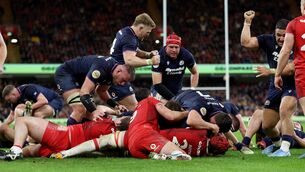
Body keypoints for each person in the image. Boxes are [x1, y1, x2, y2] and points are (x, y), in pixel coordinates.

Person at [241, 11, 297, 157]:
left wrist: (271, 71)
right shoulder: (268, 40)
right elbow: (246, 42)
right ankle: (278, 145)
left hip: (294, 84)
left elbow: (291, 69)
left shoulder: (296, 43)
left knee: (284, 110)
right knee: (267, 126)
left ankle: (285, 149)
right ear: (274, 32)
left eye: (284, 35)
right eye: (278, 35)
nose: (281, 38)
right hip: (275, 85)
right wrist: (247, 22)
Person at [3, 105, 130, 160]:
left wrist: (115, 111)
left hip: (62, 135)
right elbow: (100, 151)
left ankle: (15, 150)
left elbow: (98, 108)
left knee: (22, 121)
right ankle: (13, 153)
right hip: (67, 148)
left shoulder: (107, 121)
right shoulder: (113, 139)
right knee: (30, 151)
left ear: (119, 122)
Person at [165, 90, 253, 154]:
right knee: (177, 125)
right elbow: (191, 121)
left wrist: (238, 144)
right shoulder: (203, 105)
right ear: (213, 121)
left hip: (191, 100)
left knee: (201, 127)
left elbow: (223, 128)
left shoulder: (221, 111)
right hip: (178, 101)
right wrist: (211, 126)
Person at [54, 55, 135, 125]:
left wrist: (116, 105)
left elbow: (101, 91)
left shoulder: (112, 74)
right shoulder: (101, 67)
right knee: (80, 109)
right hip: (66, 73)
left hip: (80, 80)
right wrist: (94, 111)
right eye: (123, 80)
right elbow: (84, 92)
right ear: (119, 71)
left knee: (88, 112)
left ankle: (82, 136)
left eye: (126, 82)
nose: (122, 84)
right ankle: (69, 139)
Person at [52, 128, 229, 159]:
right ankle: (84, 154)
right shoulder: (201, 154)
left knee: (104, 140)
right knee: (115, 153)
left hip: (146, 135)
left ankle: (67, 152)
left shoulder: (200, 132)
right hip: (146, 149)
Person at [108, 13, 160, 111]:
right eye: (148, 32)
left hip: (116, 75)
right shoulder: (130, 38)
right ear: (141, 27)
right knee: (133, 110)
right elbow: (129, 60)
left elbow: (134, 50)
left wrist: (148, 54)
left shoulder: (127, 32)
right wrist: (150, 61)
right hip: (118, 77)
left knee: (127, 110)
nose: (147, 35)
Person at [275, 0, 305, 158]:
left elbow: (286, 51)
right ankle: (284, 147)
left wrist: (277, 73)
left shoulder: (294, 24)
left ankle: (285, 148)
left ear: (302, 6)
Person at [151, 34, 199, 100]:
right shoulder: (159, 57)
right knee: (162, 104)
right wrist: (173, 99)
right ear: (166, 47)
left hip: (177, 91)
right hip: (160, 91)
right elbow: (157, 84)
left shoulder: (186, 55)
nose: (174, 50)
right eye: (171, 47)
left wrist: (192, 90)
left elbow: (195, 72)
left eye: (176, 47)